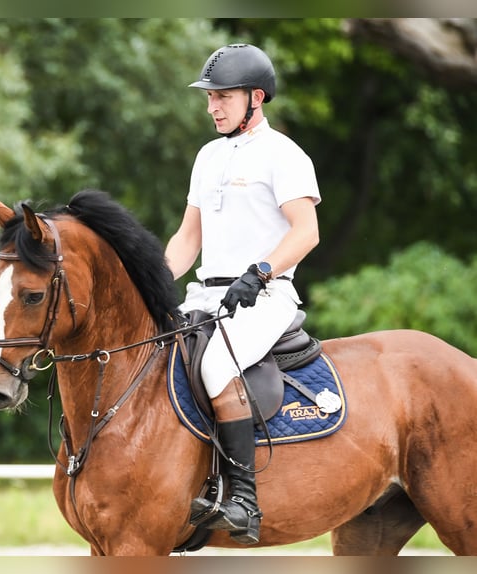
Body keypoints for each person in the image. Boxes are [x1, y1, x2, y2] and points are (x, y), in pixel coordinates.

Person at [165, 43, 321, 545]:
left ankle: (243, 502)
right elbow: (189, 238)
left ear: (257, 97)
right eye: (209, 97)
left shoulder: (284, 155)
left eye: (223, 97)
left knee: (214, 368)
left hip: (263, 297)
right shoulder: (207, 156)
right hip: (206, 297)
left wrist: (260, 273)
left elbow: (306, 231)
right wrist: (150, 280)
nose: (212, 106)